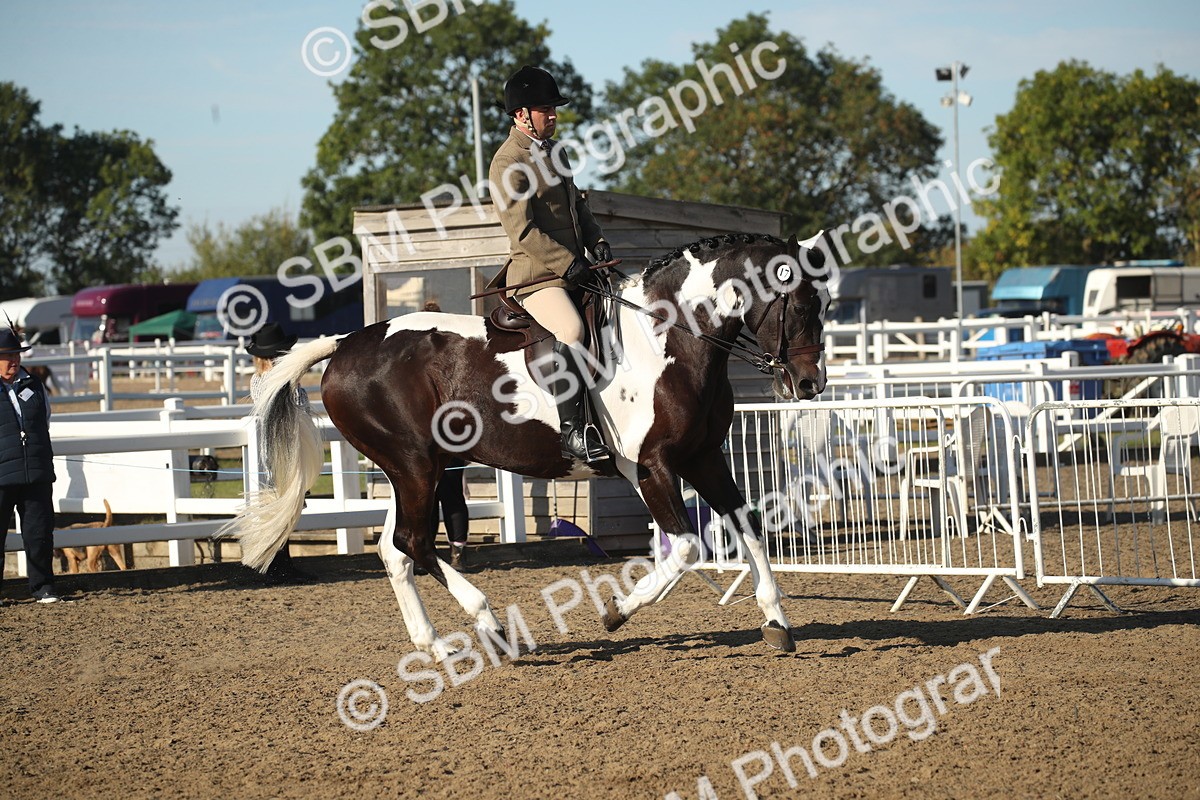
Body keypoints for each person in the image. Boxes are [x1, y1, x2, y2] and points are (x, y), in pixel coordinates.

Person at [487, 64, 613, 463]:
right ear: (521, 115)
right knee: (573, 329)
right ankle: (573, 432)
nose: (554, 115)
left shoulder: (557, 152)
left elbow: (577, 206)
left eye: (554, 108)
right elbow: (522, 231)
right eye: (546, 109)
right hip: (537, 278)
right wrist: (567, 263)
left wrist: (599, 242)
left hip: (576, 268)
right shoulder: (507, 162)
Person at [247, 323, 317, 586]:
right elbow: (297, 410)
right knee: (283, 507)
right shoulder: (277, 383)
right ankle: (278, 564)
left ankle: (281, 563)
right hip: (283, 451)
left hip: (287, 449)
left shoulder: (262, 381)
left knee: (288, 508)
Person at [0, 326, 61, 603]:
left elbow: (43, 422)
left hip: (35, 470)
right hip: (2, 472)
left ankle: (43, 587)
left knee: (39, 534)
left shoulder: (34, 385)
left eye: (16, 354)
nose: (13, 360)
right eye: (6, 355)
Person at [421, 301, 470, 569]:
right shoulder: (455, 355)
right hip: (453, 432)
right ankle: (457, 554)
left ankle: (429, 551)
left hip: (433, 433)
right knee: (451, 495)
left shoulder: (417, 358)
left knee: (429, 495)